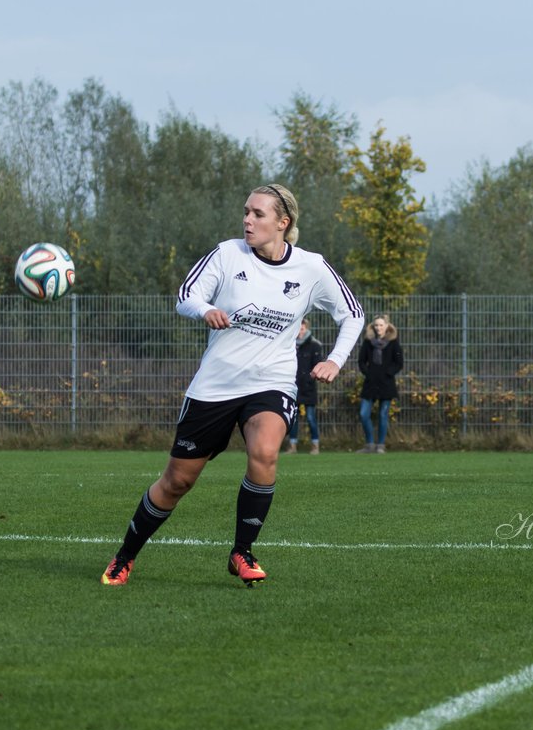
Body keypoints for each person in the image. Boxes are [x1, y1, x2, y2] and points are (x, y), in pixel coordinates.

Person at [100, 183, 364, 587]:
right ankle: (125, 556)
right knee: (177, 482)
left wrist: (334, 360)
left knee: (264, 452)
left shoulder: (311, 268)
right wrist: (206, 310)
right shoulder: (227, 254)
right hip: (215, 386)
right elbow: (186, 296)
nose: (247, 220)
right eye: (246, 212)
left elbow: (353, 315)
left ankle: (242, 551)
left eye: (258, 214)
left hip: (271, 382)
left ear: (283, 222)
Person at [357, 314, 403, 454]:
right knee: (364, 414)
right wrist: (369, 373)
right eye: (376, 325)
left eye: (381, 325)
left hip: (386, 384)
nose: (378, 328)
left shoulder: (394, 342)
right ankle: (370, 444)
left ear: (387, 326)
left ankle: (381, 445)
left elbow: (399, 363)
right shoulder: (368, 342)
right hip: (370, 383)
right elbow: (361, 361)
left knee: (383, 415)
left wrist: (388, 373)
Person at [285, 318, 324, 454]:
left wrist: (308, 379)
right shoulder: (288, 344)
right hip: (292, 387)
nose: (300, 332)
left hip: (308, 388)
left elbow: (317, 365)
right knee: (293, 418)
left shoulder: (315, 345)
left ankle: (315, 445)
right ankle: (292, 445)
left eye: (302, 329)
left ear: (306, 328)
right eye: (298, 329)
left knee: (310, 418)